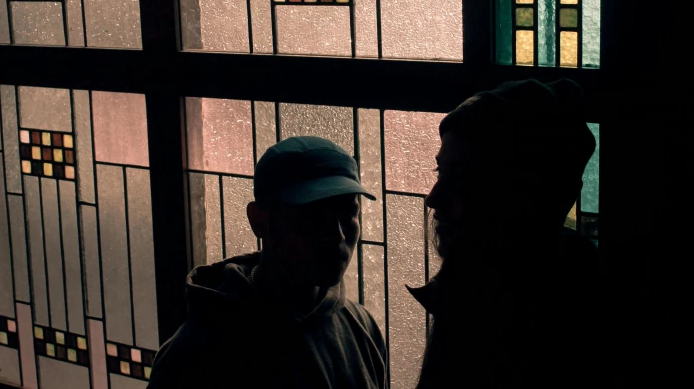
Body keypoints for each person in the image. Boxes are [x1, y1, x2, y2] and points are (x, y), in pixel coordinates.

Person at [148, 136, 387, 389]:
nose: (337, 235)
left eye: (349, 213)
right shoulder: (194, 355)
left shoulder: (362, 328)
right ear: (259, 220)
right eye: (314, 218)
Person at [411, 79, 600, 388]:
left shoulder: (557, 314)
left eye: (462, 178)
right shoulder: (471, 284)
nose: (434, 197)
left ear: (523, 194)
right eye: (440, 172)